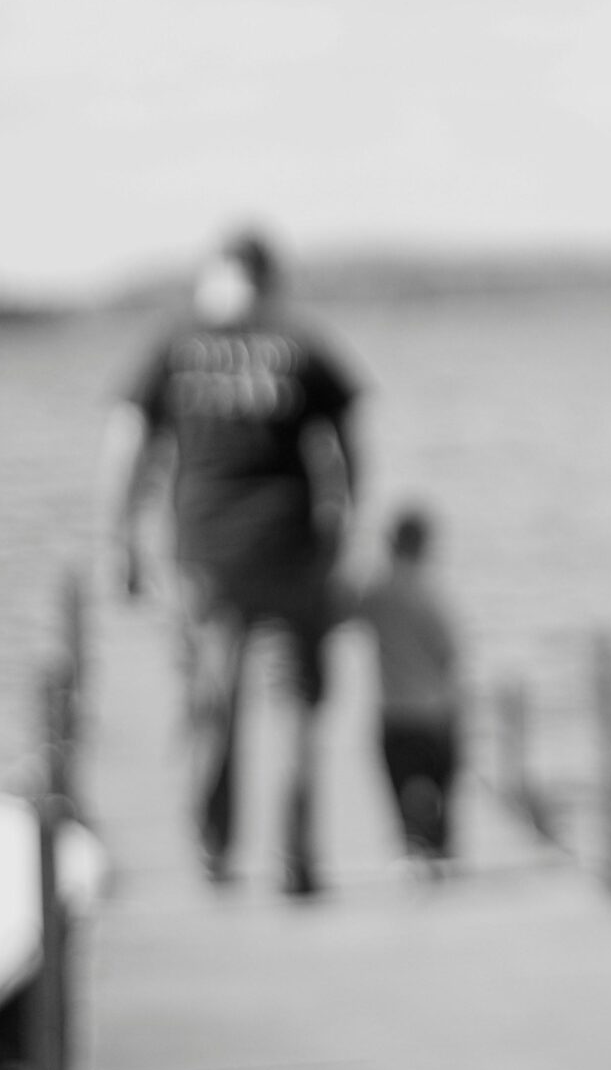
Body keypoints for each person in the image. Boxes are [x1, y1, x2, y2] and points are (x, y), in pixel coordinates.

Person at [104, 226, 362, 897]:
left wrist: (121, 538)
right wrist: (343, 526)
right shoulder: (300, 342)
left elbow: (128, 445)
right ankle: (299, 860)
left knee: (214, 704)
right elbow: (346, 446)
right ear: (269, 277)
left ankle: (215, 852)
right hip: (293, 550)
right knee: (299, 706)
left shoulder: (173, 343)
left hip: (205, 556)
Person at [351, 506, 465, 874]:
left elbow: (345, 609)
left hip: (395, 713)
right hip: (436, 711)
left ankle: (414, 848)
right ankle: (441, 850)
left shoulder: (377, 590)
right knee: (440, 786)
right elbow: (449, 652)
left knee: (404, 785)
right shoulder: (431, 593)